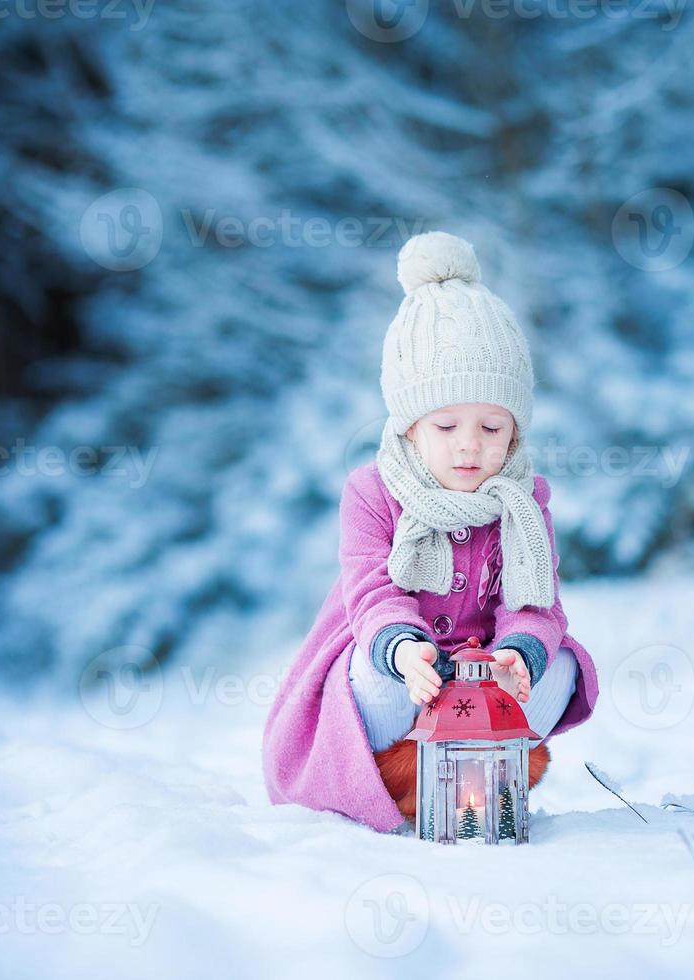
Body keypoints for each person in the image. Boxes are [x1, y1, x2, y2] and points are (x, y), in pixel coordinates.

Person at [261, 231, 599, 833]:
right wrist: (404, 649)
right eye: (447, 425)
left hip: (483, 676)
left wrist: (518, 654)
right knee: (372, 672)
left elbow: (536, 603)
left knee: (562, 665)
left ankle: (485, 766)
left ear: (515, 432)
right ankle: (402, 776)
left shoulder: (524, 501)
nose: (470, 445)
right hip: (402, 665)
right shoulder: (373, 491)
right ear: (411, 427)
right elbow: (370, 590)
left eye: (493, 428)